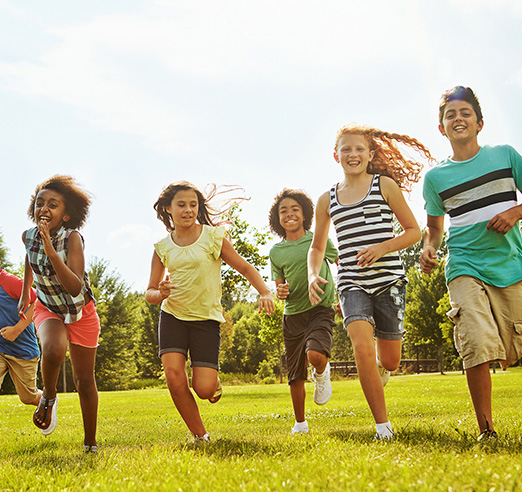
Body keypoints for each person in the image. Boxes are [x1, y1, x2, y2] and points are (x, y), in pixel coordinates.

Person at [308, 123, 432, 440]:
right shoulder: (327, 199)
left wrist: (381, 248)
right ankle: (383, 427)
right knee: (361, 347)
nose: (353, 154)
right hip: (351, 282)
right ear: (336, 155)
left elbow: (414, 232)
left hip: (390, 280)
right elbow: (317, 247)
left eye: (360, 148)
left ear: (370, 154)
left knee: (390, 359)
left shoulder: (385, 186)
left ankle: (383, 367)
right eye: (346, 149)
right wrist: (313, 274)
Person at [421, 86, 522, 441]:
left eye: (465, 113)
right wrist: (429, 247)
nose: (458, 119)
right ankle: (487, 430)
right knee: (475, 340)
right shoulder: (435, 178)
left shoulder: (506, 156)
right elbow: (434, 228)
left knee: (515, 345)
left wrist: (515, 211)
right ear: (441, 128)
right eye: (450, 115)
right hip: (464, 264)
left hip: (511, 265)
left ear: (480, 123)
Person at [145, 180, 274, 443]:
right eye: (181, 205)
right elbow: (149, 293)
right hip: (173, 316)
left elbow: (246, 267)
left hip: (205, 319)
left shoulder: (213, 237)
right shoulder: (162, 248)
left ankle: (213, 383)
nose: (188, 210)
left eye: (193, 205)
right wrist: (161, 293)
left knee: (203, 389)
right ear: (169, 209)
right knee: (173, 375)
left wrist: (264, 292)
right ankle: (199, 434)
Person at [18, 175, 100, 453]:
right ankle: (48, 398)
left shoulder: (72, 239)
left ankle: (90, 442)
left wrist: (52, 252)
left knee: (84, 380)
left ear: (66, 215)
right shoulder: (29, 236)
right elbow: (30, 259)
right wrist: (24, 292)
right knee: (53, 349)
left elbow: (75, 285)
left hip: (81, 311)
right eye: (40, 203)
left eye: (53, 204)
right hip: (48, 306)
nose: (45, 209)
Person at [269, 189, 338, 434]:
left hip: (320, 307)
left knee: (316, 356)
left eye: (295, 209)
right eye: (283, 211)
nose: (289, 214)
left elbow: (339, 261)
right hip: (292, 315)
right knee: (295, 374)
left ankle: (322, 372)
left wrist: (346, 293)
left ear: (305, 213)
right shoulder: (276, 252)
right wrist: (281, 291)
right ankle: (300, 423)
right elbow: (278, 284)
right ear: (277, 218)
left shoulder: (317, 239)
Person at [0, 266, 42, 407]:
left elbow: (40, 300)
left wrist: (16, 330)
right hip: (1, 348)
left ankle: (47, 400)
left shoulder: (8, 281)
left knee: (28, 398)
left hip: (23, 351)